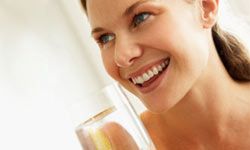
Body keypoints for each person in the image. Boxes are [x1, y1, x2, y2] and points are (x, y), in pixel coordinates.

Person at [80, 0, 250, 149]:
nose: (122, 56)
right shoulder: (120, 145)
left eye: (141, 17)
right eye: (105, 38)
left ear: (205, 6)